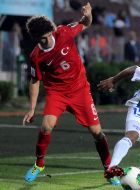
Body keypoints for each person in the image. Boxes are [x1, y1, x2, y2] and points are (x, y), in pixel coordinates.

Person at [23, 3, 111, 183]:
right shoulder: (36, 56)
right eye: (39, 39)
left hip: (80, 90)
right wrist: (32, 109)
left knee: (97, 133)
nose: (43, 42)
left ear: (50, 32)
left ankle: (109, 168)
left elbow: (86, 23)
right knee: (46, 126)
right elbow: (34, 81)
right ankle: (39, 164)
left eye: (45, 37)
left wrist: (89, 13)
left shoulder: (64, 32)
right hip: (57, 93)